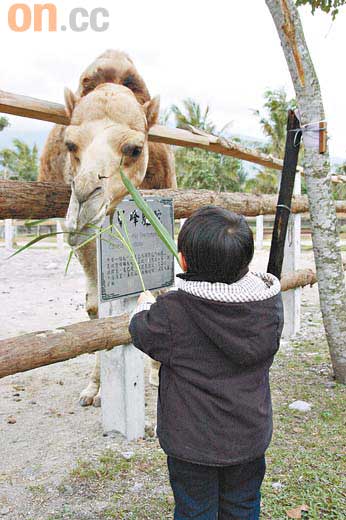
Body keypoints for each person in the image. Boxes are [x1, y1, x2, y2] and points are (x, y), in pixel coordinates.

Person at [129, 206, 284, 520]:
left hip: (193, 446)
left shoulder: (174, 311)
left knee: (195, 510)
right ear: (246, 259)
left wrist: (143, 306)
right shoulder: (267, 304)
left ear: (183, 261)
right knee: (242, 505)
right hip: (249, 438)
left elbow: (142, 331)